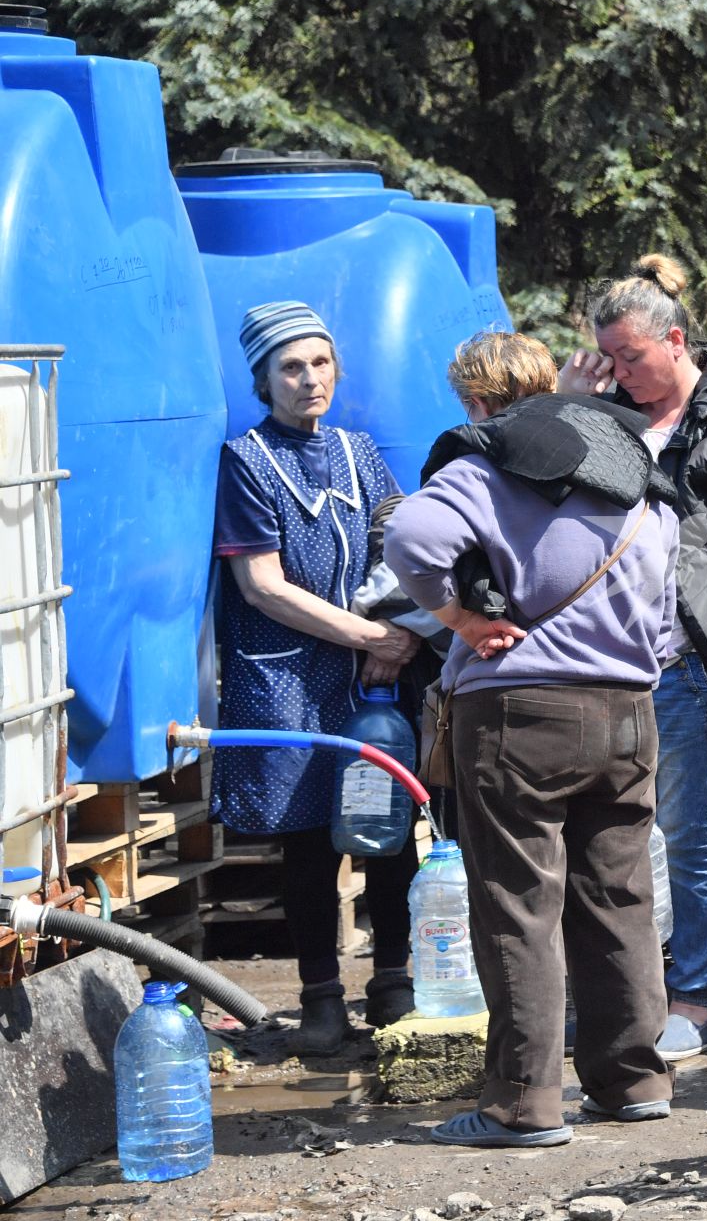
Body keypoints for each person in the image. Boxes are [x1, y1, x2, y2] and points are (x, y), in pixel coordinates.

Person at [386, 332, 681, 1148]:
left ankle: (524, 1102)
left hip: (520, 714)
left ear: (479, 404)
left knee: (519, 906)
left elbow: (410, 540)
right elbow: (671, 589)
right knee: (617, 898)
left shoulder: (482, 466)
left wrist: (460, 619)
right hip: (629, 711)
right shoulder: (628, 468)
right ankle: (633, 1081)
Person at [557, 256, 707, 1061]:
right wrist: (568, 409)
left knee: (694, 830)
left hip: (687, 662)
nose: (622, 372)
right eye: (609, 358)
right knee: (608, 834)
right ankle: (622, 990)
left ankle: (695, 994)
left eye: (633, 356)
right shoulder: (605, 410)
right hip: (603, 662)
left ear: (675, 341)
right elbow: (547, 503)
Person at [211, 300, 422, 1055]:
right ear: (264, 380)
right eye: (290, 367)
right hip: (286, 679)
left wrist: (391, 628)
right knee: (307, 844)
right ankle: (321, 1003)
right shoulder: (246, 461)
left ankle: (393, 981)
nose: (309, 380)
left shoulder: (357, 450)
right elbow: (261, 586)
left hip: (368, 680)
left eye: (320, 362)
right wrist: (372, 634)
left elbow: (397, 538)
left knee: (389, 830)